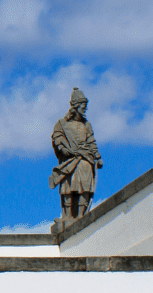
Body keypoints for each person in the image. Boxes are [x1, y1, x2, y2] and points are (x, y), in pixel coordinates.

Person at [50, 87, 103, 223]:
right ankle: (67, 216)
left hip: (86, 158)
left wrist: (98, 156)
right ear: (76, 106)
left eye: (85, 106)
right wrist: (62, 148)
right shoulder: (62, 124)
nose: (85, 109)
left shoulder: (86, 124)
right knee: (68, 186)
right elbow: (57, 136)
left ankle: (81, 215)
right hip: (70, 158)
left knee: (85, 185)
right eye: (83, 106)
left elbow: (91, 141)